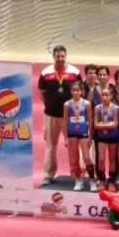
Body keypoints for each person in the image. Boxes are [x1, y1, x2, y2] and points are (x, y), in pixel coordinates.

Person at [38, 45, 83, 185]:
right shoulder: (45, 73)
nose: (60, 59)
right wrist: (50, 104)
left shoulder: (75, 72)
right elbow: (41, 92)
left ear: (66, 56)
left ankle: (76, 175)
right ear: (53, 57)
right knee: (50, 145)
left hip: (69, 117)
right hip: (51, 115)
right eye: (57, 56)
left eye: (62, 56)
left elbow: (80, 91)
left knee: (73, 146)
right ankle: (48, 174)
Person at [62, 82, 96, 191]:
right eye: (73, 90)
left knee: (86, 157)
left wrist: (91, 136)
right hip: (72, 133)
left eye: (78, 90)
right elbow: (65, 121)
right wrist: (65, 137)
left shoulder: (86, 104)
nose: (75, 92)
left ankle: (92, 181)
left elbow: (90, 120)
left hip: (83, 133)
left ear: (82, 91)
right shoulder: (67, 104)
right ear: (71, 91)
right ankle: (78, 180)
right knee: (75, 159)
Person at [94, 87, 119, 192]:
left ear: (111, 96)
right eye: (103, 95)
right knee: (101, 159)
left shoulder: (115, 108)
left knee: (112, 159)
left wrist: (103, 125)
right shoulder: (97, 108)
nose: (104, 97)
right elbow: (95, 125)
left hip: (113, 136)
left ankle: (112, 181)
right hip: (101, 137)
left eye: (107, 95)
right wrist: (108, 125)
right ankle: (101, 180)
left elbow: (115, 124)